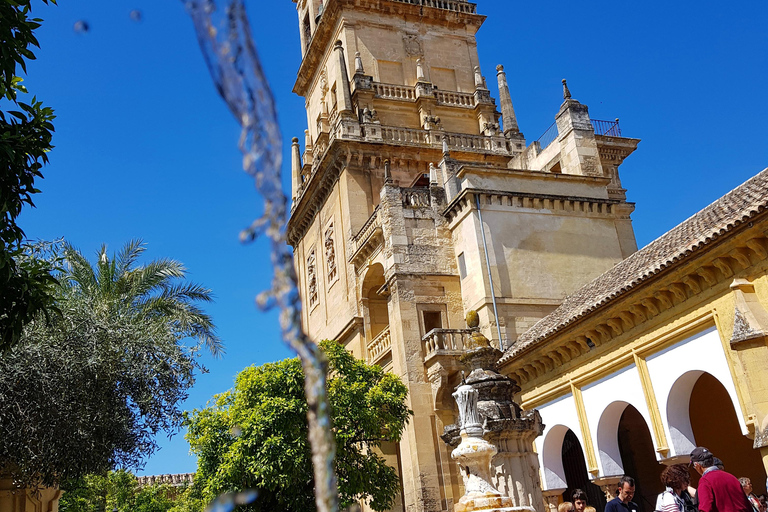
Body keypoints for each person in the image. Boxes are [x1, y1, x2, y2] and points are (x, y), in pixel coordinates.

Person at [690, 447, 752, 512]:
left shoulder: (705, 481)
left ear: (697, 465)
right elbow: (747, 504)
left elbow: (705, 508)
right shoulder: (731, 477)